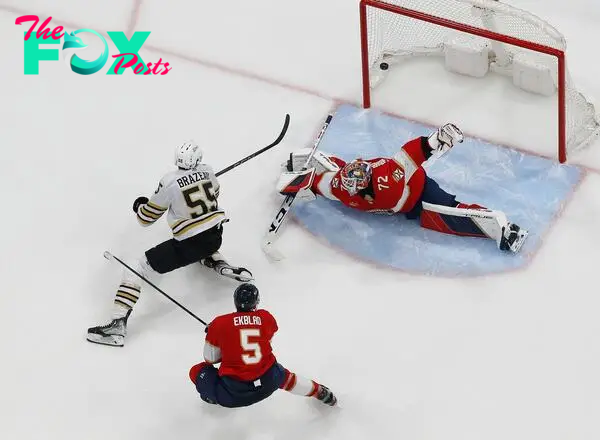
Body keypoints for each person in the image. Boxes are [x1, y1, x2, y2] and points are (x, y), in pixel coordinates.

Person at [87, 141, 253, 347]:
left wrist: (140, 206)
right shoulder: (209, 171)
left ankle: (117, 325)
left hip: (188, 244)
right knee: (203, 242)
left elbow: (146, 218)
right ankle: (216, 261)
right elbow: (215, 194)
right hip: (215, 236)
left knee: (138, 268)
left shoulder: (170, 182)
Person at [276, 123, 527, 253]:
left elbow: (409, 156)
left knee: (447, 212)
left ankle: (502, 230)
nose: (347, 190)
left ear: (366, 185)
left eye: (352, 188)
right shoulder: (342, 186)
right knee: (332, 173)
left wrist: (437, 139)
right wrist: (298, 182)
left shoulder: (388, 178)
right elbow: (321, 183)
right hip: (398, 205)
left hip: (417, 191)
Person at [189, 283, 337, 408]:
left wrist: (215, 333)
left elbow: (210, 359)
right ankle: (319, 392)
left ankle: (213, 396)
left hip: (234, 393)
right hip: (268, 380)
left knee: (197, 370)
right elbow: (265, 340)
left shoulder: (219, 323)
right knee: (285, 377)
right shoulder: (266, 318)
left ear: (234, 301)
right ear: (256, 302)